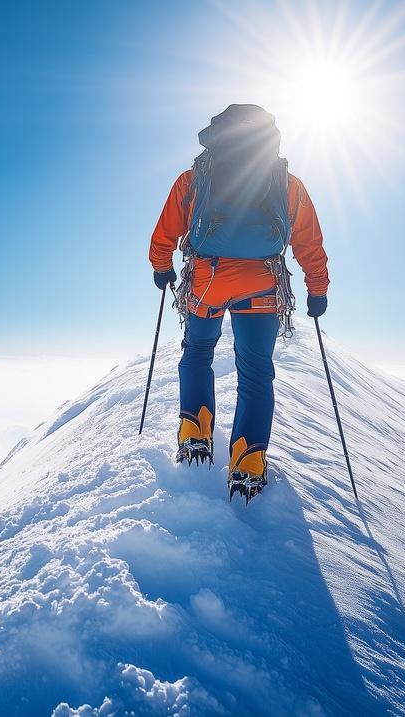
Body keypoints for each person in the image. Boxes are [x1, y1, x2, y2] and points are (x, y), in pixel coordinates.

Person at [148, 104, 329, 502]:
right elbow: (308, 243)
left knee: (198, 351)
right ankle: (248, 460)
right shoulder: (288, 184)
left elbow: (165, 233)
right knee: (256, 371)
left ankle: (195, 431)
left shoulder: (193, 178)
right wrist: (317, 289)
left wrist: (162, 267)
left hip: (206, 282)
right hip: (262, 284)